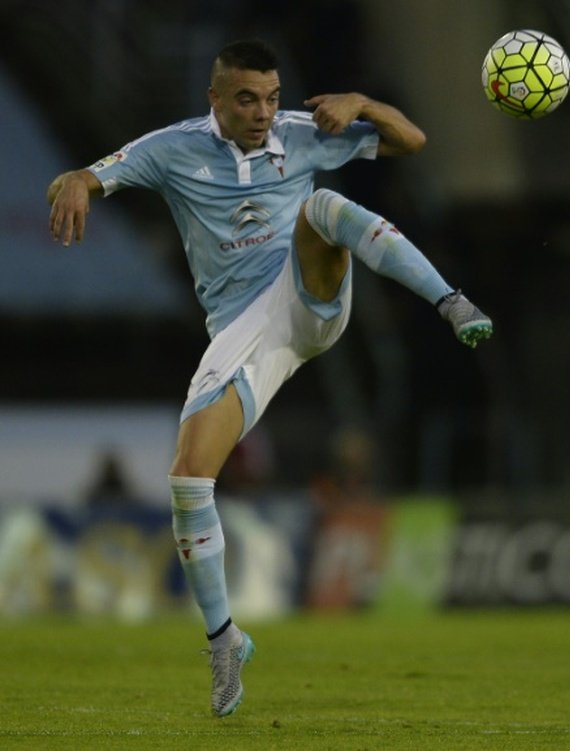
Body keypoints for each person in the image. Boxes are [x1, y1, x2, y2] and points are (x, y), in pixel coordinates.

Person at [47, 38, 492, 718]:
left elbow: (413, 140)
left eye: (272, 98)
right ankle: (225, 640)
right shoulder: (171, 149)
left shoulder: (305, 134)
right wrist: (75, 181)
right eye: (248, 99)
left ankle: (450, 300)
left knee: (320, 210)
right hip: (243, 333)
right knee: (189, 476)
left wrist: (365, 103)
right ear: (216, 99)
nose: (263, 113)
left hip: (309, 295)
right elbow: (80, 176)